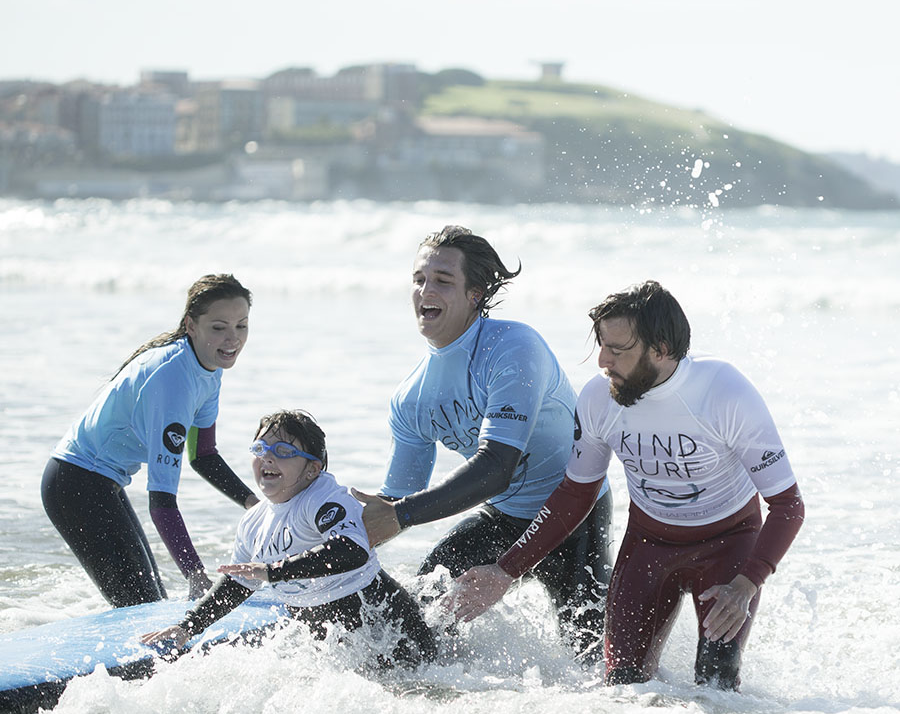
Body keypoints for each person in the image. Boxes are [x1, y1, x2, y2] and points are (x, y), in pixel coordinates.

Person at [449, 280, 805, 689]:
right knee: (623, 688)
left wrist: (747, 584)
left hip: (730, 545)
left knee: (717, 685)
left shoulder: (724, 392)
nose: (602, 360)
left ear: (661, 350)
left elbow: (788, 506)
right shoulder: (600, 398)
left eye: (617, 351)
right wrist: (505, 570)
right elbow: (575, 494)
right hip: (648, 546)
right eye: (601, 345)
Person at [351, 225, 613, 662]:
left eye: (442, 280)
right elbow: (394, 503)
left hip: (573, 515)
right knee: (416, 625)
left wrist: (400, 514)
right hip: (503, 517)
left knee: (592, 660)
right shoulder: (410, 397)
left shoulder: (513, 346)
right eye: (418, 279)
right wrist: (323, 538)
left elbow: (496, 468)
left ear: (475, 293)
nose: (424, 290)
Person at [142, 410, 436, 668]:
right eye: (260, 448)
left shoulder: (324, 496)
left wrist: (273, 571)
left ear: (312, 469)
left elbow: (351, 550)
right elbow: (239, 582)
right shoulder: (253, 523)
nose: (267, 457)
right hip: (334, 642)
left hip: (389, 627)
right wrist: (187, 627)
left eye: (283, 450)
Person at [41, 273, 258, 607]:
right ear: (191, 325)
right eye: (219, 327)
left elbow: (202, 455)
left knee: (147, 603)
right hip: (77, 485)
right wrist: (195, 575)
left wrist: (252, 503)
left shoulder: (207, 369)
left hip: (96, 483)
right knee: (141, 606)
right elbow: (161, 501)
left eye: (241, 326)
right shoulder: (174, 380)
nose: (233, 338)